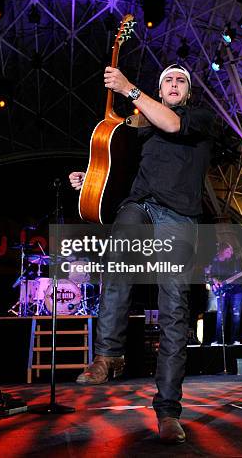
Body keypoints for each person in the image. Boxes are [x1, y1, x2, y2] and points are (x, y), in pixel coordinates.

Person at [69, 63, 213, 444]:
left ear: (187, 92)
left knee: (174, 310)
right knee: (117, 259)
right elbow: (119, 176)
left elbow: (171, 124)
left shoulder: (198, 119)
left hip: (179, 217)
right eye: (168, 79)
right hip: (141, 206)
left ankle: (168, 411)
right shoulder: (142, 130)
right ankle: (108, 355)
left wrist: (130, 89)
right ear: (160, 88)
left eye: (181, 79)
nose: (175, 83)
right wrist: (91, 183)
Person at [209, 242, 242, 346]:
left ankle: (235, 339)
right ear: (222, 251)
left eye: (231, 250)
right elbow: (210, 276)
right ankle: (219, 340)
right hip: (221, 291)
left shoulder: (236, 261)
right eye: (228, 251)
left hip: (236, 291)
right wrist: (214, 282)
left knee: (236, 316)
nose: (231, 253)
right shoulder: (215, 261)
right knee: (220, 316)